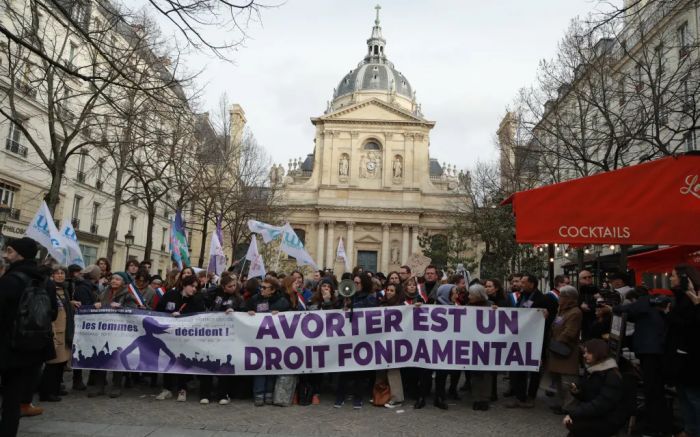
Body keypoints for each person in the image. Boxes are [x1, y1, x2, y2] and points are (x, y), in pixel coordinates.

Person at [0, 238, 56, 436]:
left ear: (20, 254)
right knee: (13, 402)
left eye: (9, 251)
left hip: (8, 347)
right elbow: (53, 313)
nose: (6, 255)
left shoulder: (10, 280)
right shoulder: (45, 281)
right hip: (32, 348)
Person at [611, 285, 670, 436]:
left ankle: (654, 426)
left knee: (653, 390)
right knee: (655, 390)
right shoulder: (651, 307)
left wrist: (613, 308)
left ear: (635, 299)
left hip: (651, 352)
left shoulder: (644, 302)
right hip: (654, 351)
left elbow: (623, 310)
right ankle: (659, 424)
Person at [507, 273, 557, 408]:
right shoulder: (523, 296)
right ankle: (520, 396)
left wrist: (547, 316)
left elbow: (552, 319)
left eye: (523, 282)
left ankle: (531, 396)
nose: (520, 285)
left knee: (534, 369)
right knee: (519, 367)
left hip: (535, 340)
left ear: (531, 284)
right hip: (521, 339)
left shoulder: (543, 299)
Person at [88, 272, 139, 398]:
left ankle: (117, 386)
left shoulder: (128, 294)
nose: (114, 281)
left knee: (118, 356)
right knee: (101, 355)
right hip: (104, 331)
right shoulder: (104, 292)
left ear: (123, 282)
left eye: (118, 279)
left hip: (120, 331)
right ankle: (99, 386)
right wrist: (96, 305)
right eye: (113, 279)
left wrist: (122, 307)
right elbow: (98, 304)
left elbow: (134, 310)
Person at [563, 339, 627, 437]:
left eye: (588, 352)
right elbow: (589, 396)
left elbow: (601, 404)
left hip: (609, 418)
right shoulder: (593, 370)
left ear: (598, 353)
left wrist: (574, 414)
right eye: (584, 352)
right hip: (598, 414)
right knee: (573, 426)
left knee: (575, 427)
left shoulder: (611, 375)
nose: (584, 355)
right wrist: (577, 391)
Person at [666, 265, 700, 437]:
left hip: (691, 358)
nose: (670, 278)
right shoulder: (678, 298)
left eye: (672, 276)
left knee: (693, 397)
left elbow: (690, 326)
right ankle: (690, 429)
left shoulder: (693, 299)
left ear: (683, 278)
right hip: (679, 356)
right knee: (685, 396)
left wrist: (668, 315)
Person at [335, 272, 377, 409]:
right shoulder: (348, 297)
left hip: (362, 338)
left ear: (364, 284)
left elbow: (370, 313)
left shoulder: (370, 298)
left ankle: (358, 397)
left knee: (359, 370)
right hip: (347, 338)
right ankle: (340, 396)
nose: (355, 285)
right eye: (354, 282)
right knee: (344, 369)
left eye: (357, 283)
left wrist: (353, 308)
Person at [247, 277, 290, 406]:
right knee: (259, 365)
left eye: (265, 288)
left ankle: (269, 393)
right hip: (258, 340)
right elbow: (244, 309)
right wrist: (247, 312)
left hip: (275, 341)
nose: (262, 289)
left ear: (273, 290)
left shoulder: (281, 301)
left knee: (272, 365)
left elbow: (289, 315)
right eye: (261, 287)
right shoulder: (255, 299)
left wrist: (280, 313)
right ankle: (259, 394)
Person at [39, 266, 76, 402]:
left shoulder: (64, 290)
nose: (60, 276)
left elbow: (63, 306)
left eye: (62, 273)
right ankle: (46, 392)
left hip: (65, 330)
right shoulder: (49, 289)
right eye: (57, 273)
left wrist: (71, 303)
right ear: (52, 275)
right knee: (53, 364)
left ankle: (55, 389)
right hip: (56, 330)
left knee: (61, 363)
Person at [546, 285, 582, 415]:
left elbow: (570, 332)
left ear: (569, 298)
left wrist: (557, 342)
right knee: (559, 380)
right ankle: (562, 404)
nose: (559, 298)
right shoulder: (561, 310)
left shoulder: (575, 312)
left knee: (568, 381)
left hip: (567, 350)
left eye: (561, 296)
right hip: (557, 349)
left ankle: (570, 407)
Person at [464, 283, 494, 411]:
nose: (469, 296)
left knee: (487, 373)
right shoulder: (467, 307)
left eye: (471, 294)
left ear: (478, 295)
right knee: (475, 373)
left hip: (487, 344)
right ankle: (476, 398)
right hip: (473, 344)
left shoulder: (491, 306)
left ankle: (485, 399)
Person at [71, 264, 101, 390]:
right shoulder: (84, 287)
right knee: (80, 350)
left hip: (91, 323)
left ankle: (91, 379)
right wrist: (94, 306)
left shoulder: (90, 286)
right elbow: (84, 306)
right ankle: (77, 380)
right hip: (84, 323)